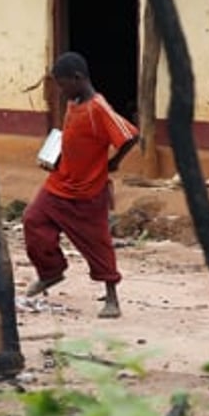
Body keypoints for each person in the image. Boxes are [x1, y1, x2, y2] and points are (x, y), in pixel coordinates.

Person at [23, 51, 139, 318]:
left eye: (63, 84)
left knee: (98, 245)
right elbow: (72, 139)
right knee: (33, 220)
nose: (61, 91)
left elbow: (129, 135)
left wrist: (114, 162)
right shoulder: (73, 103)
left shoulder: (98, 107)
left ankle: (112, 299)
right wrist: (55, 156)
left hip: (87, 191)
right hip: (60, 183)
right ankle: (51, 272)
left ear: (77, 78)